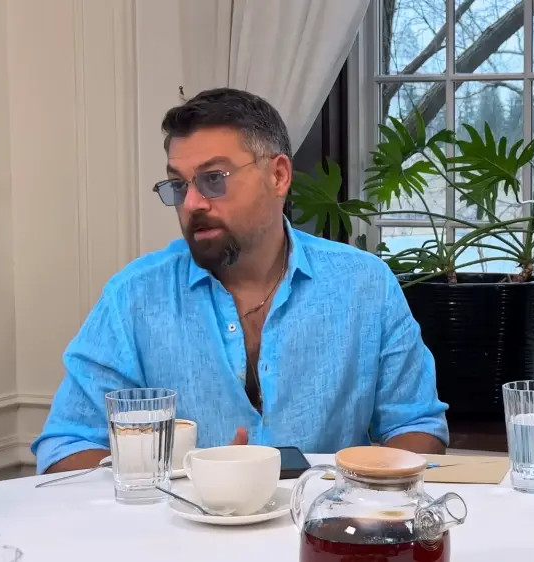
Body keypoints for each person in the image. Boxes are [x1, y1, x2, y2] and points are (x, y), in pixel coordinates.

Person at [31, 88, 448, 474]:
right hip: (180, 526)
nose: (192, 204)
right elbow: (66, 446)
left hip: (325, 522)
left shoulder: (364, 284)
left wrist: (360, 500)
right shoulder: (134, 297)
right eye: (178, 185)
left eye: (214, 179)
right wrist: (178, 483)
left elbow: (415, 425)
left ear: (279, 176)